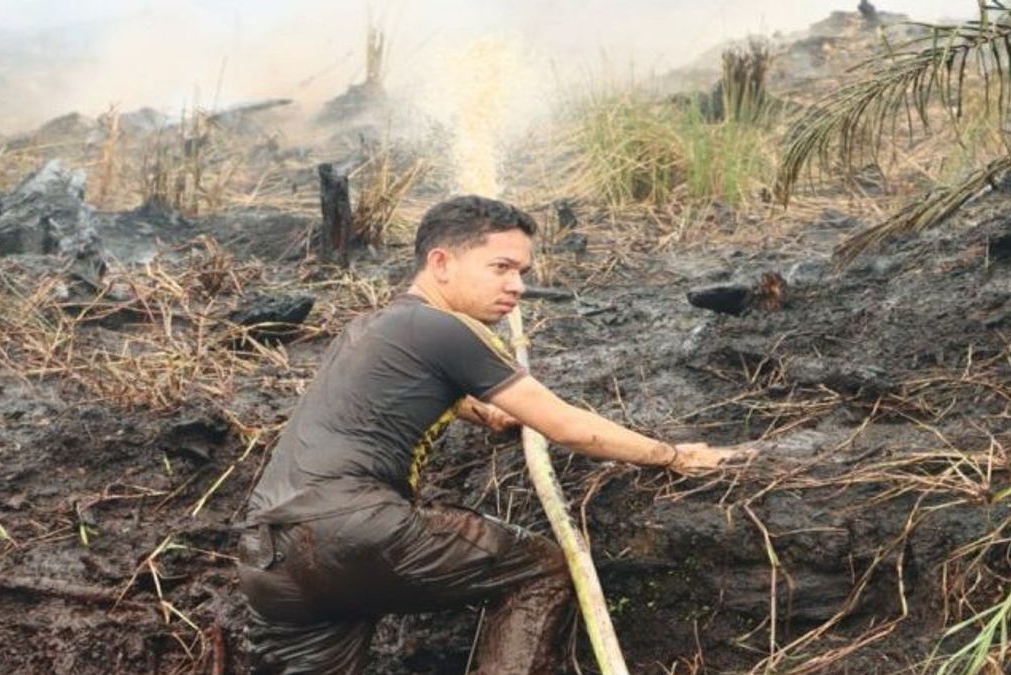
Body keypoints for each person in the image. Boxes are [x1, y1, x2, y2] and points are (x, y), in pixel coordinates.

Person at [237, 195, 745, 674]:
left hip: (270, 561)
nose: (517, 286)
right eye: (500, 268)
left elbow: (405, 396)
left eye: (522, 273)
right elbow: (566, 426)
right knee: (541, 567)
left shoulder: (372, 329)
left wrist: (488, 413)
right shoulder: (445, 329)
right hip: (358, 529)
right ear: (440, 264)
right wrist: (672, 455)